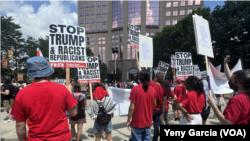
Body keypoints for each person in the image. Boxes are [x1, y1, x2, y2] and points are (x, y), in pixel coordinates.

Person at [10, 57, 78, 141]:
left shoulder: (21, 94)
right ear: (48, 73)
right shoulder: (62, 89)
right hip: (62, 138)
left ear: (31, 74)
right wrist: (70, 93)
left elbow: (20, 125)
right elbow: (74, 112)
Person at [127, 70, 157, 141]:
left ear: (139, 78)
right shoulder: (153, 90)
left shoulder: (135, 89)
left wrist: (128, 120)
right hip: (148, 122)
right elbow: (154, 105)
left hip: (137, 122)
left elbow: (132, 107)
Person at [149, 73, 167, 141]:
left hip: (151, 109)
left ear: (155, 79)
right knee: (157, 126)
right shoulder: (164, 89)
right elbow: (164, 102)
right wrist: (163, 112)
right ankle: (155, 139)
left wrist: (139, 67)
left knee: (148, 125)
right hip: (159, 110)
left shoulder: (152, 85)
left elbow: (145, 76)